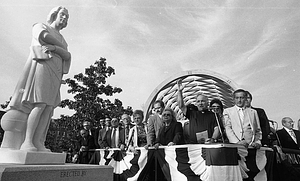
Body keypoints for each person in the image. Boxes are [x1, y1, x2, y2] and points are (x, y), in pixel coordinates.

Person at [0, 6, 71, 151]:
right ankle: (27, 141)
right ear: (55, 14)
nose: (64, 18)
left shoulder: (63, 39)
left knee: (49, 108)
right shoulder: (41, 26)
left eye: (67, 17)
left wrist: (54, 48)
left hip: (56, 72)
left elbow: (68, 56)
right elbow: (43, 36)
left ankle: (38, 142)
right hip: (42, 66)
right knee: (40, 104)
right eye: (62, 15)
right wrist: (59, 48)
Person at [177, 79, 220, 144]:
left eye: (203, 101)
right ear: (196, 103)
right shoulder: (191, 113)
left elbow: (217, 129)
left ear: (207, 103)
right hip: (194, 146)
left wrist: (213, 139)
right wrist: (180, 91)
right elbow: (181, 106)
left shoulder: (213, 115)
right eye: (198, 101)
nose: (200, 103)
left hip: (208, 145)